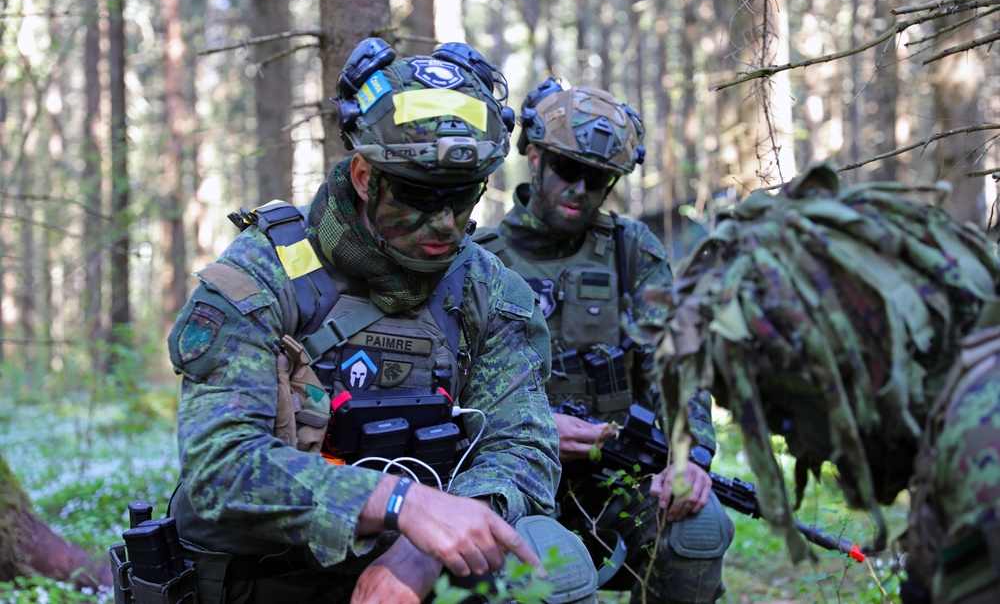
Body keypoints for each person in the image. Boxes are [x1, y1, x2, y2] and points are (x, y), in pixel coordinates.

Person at [156, 40, 595, 604]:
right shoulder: (263, 274)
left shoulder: (488, 290)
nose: (443, 223)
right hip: (261, 579)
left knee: (554, 567)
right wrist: (400, 504)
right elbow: (220, 466)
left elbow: (522, 449)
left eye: (462, 199)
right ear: (365, 176)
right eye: (417, 195)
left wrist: (425, 545)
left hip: (412, 578)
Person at [659, 162, 1000, 604]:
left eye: (784, 416)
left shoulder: (982, 436)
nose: (799, 449)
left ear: (854, 364)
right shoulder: (961, 408)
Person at [473, 79, 734, 604]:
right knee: (554, 569)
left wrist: (689, 454)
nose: (581, 191)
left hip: (616, 477)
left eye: (599, 180)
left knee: (697, 528)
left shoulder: (629, 249)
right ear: (533, 155)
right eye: (569, 171)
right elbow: (451, 396)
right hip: (517, 477)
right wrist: (537, 428)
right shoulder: (481, 259)